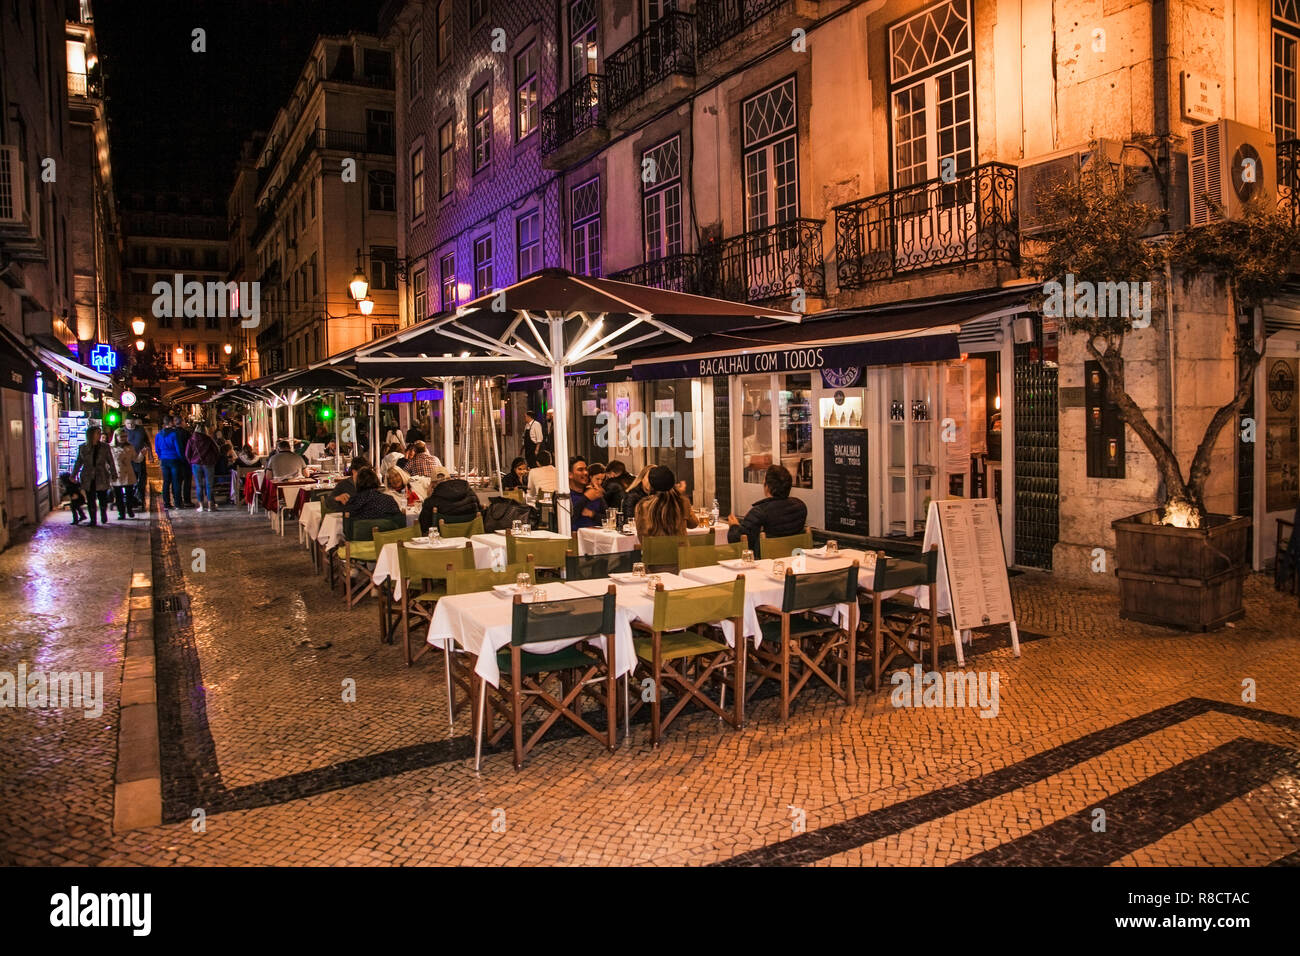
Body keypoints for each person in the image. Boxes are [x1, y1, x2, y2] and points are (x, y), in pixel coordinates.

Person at [727, 464, 808, 553]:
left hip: (766, 561)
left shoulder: (759, 512)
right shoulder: (800, 507)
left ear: (767, 487)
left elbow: (739, 542)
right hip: (794, 558)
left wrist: (734, 526)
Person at [635, 465, 699, 538]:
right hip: (680, 548)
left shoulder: (642, 505)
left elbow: (641, 536)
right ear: (672, 482)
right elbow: (694, 524)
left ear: (651, 484)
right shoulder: (682, 501)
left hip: (654, 549)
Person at [72, 425, 116, 527]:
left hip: (101, 475)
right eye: (97, 433)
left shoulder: (105, 447)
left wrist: (113, 473)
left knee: (102, 497)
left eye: (100, 433)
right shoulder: (83, 448)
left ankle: (103, 513)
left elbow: (110, 461)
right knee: (91, 499)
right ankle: (93, 519)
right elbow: (79, 462)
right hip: (88, 476)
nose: (100, 435)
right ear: (91, 435)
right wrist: (73, 475)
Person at [337, 466, 402, 521]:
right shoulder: (388, 500)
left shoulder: (351, 503)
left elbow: (347, 529)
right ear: (376, 480)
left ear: (357, 484)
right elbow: (399, 521)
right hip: (387, 535)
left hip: (361, 535)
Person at [186, 423, 222, 511]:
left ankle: (201, 506)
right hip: (208, 464)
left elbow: (187, 454)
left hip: (196, 465)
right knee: (209, 485)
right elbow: (217, 451)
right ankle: (210, 506)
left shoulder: (191, 440)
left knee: (199, 485)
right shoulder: (209, 439)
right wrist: (213, 461)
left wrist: (191, 462)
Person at [154, 416, 187, 511]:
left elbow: (157, 449)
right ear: (171, 422)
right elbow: (178, 448)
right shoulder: (174, 434)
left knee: (166, 482)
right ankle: (177, 503)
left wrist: (161, 457)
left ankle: (166, 503)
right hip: (174, 460)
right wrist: (182, 459)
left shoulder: (159, 435)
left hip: (164, 460)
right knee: (176, 482)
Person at [122, 417, 153, 510]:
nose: (130, 425)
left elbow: (147, 443)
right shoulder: (122, 432)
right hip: (127, 460)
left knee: (141, 480)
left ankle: (140, 498)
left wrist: (150, 455)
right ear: (125, 423)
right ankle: (130, 500)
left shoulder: (141, 430)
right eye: (128, 424)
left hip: (140, 458)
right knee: (129, 481)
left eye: (132, 423)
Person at [568, 456, 606, 530]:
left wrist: (593, 514)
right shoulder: (565, 495)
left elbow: (608, 518)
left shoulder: (594, 492)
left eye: (586, 469)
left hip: (597, 536)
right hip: (575, 538)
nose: (585, 473)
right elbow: (568, 520)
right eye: (580, 470)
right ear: (570, 475)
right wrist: (586, 498)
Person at [109, 430, 138, 520]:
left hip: (128, 473)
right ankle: (121, 512)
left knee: (129, 494)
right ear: (116, 437)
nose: (123, 439)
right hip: (116, 473)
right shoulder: (111, 448)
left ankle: (129, 509)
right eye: (121, 437)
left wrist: (142, 454)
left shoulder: (130, 447)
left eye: (125, 436)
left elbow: (136, 459)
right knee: (118, 495)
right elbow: (108, 461)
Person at [173, 417, 193, 506]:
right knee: (187, 481)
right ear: (182, 423)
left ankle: (177, 500)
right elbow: (190, 447)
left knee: (177, 481)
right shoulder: (186, 433)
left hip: (175, 460)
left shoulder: (172, 433)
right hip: (185, 460)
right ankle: (187, 500)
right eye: (184, 421)